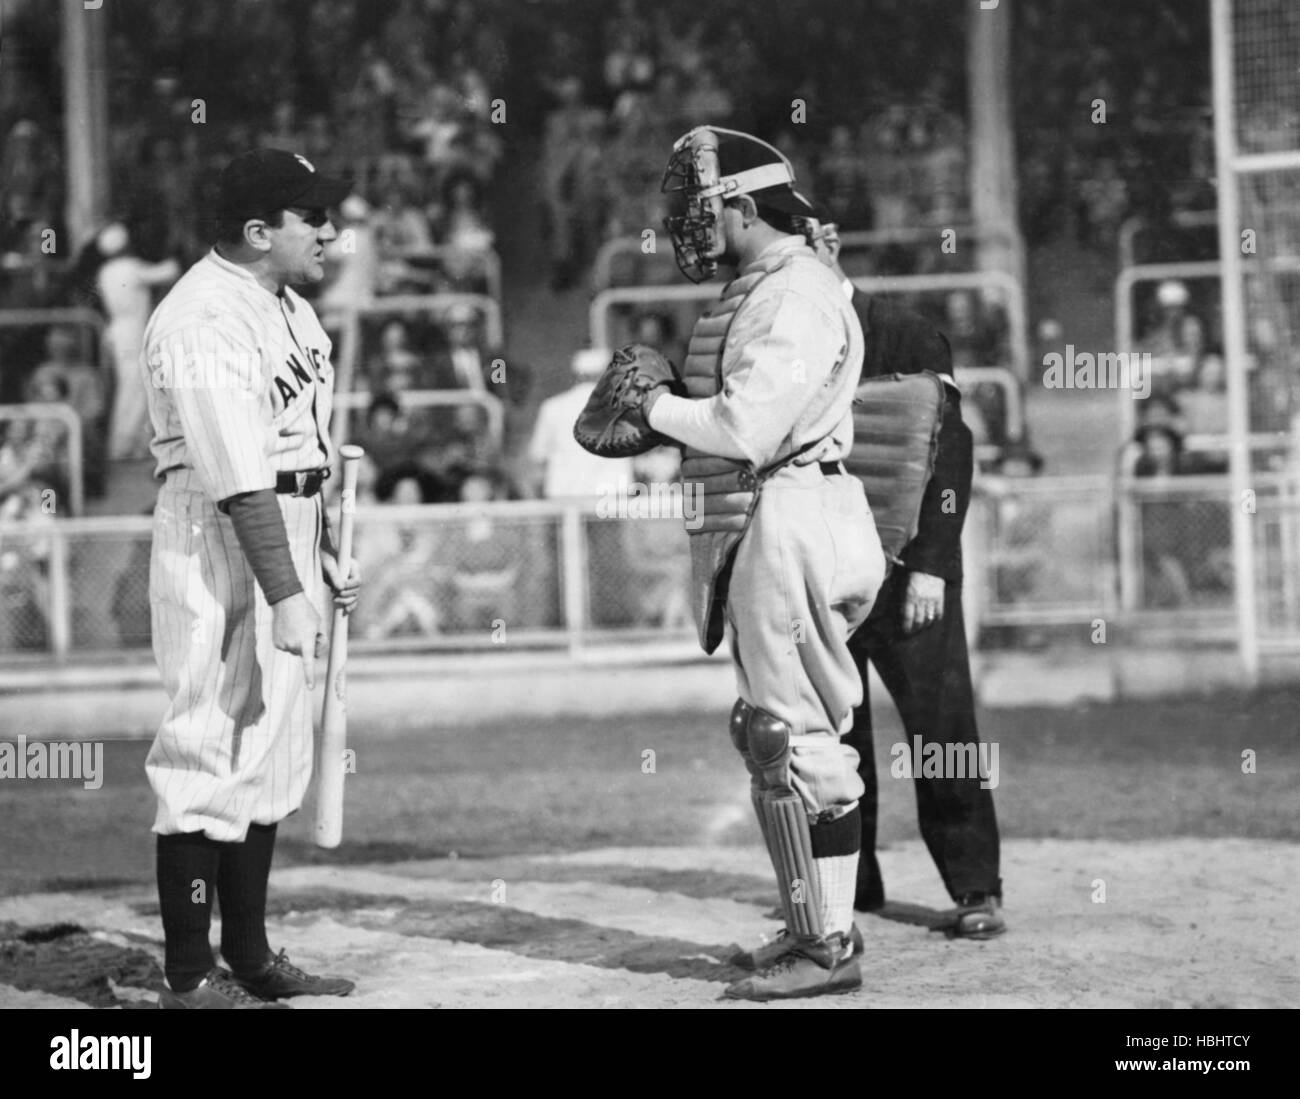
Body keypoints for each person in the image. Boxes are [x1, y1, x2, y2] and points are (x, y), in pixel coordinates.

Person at [646, 127, 885, 1000]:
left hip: (795, 511)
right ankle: (810, 921)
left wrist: (658, 407)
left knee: (800, 738)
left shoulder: (793, 297)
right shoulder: (777, 285)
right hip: (778, 510)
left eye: (704, 208)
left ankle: (828, 945)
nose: (692, 225)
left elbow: (747, 429)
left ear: (745, 207)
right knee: (770, 731)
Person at [141, 148, 362, 1009]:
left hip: (285, 523)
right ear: (258, 230)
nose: (332, 232)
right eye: (315, 218)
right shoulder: (201, 319)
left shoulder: (292, 309)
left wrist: (324, 551)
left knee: (271, 752)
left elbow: (300, 448)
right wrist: (285, 585)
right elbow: (237, 472)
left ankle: (252, 954)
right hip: (218, 530)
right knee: (211, 745)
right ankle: (191, 977)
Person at [806, 212, 1005, 940]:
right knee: (832, 736)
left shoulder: (905, 332)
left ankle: (975, 887)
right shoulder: (784, 347)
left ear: (827, 247)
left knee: (942, 727)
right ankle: (848, 890)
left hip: (904, 574)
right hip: (822, 574)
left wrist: (930, 567)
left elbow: (949, 453)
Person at [96, 223, 181, 461]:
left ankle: (136, 446)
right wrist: (174, 251)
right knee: (133, 389)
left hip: (117, 331)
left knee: (135, 387)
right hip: (131, 330)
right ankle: (122, 446)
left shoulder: (105, 271)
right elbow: (167, 272)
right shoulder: (130, 267)